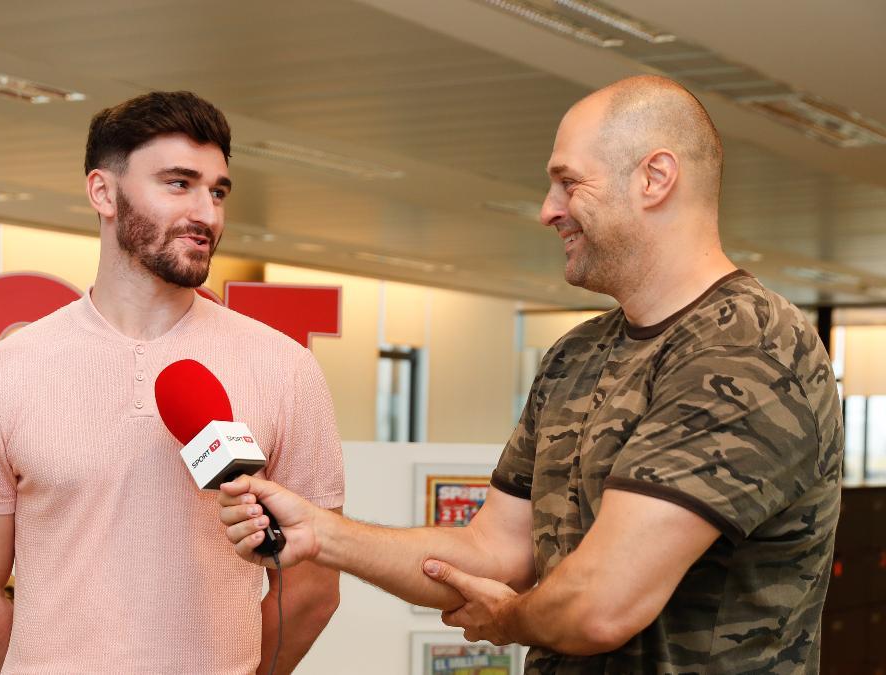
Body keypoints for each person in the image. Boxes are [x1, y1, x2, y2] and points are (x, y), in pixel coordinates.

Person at [219, 75, 842, 673]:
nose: (549, 211)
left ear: (655, 178)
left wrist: (508, 619)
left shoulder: (749, 346)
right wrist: (321, 533)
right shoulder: (577, 354)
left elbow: (603, 604)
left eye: (569, 183)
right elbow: (495, 553)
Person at [0, 91, 344, 675]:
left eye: (217, 190)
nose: (206, 213)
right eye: (179, 183)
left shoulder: (285, 368)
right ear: (104, 192)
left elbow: (310, 589)